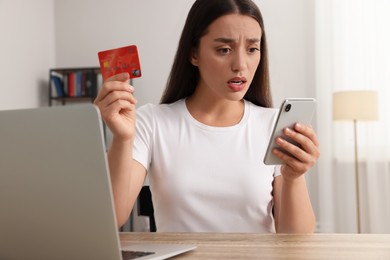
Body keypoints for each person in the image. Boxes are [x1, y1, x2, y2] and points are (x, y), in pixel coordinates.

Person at [94, 0, 320, 233]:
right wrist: (121, 139)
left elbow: (296, 242)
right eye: (224, 50)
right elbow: (113, 217)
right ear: (194, 54)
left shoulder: (273, 125)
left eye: (252, 49)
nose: (240, 65)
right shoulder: (151, 122)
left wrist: (293, 178)